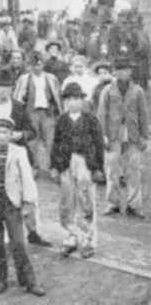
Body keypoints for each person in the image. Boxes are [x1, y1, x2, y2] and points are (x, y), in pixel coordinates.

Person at [0, 117, 46, 296]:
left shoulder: (19, 152)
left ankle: (28, 281)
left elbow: (27, 179)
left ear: (11, 134)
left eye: (5, 132)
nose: (1, 136)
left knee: (18, 242)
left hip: (11, 201)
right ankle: (0, 279)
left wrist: (28, 201)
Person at [50, 82, 104, 259]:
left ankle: (87, 240)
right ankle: (73, 237)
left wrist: (97, 167)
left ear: (82, 100)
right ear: (65, 101)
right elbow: (56, 144)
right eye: (69, 99)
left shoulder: (90, 119)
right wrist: (54, 167)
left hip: (85, 163)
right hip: (66, 163)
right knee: (67, 201)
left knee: (86, 201)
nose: (73, 103)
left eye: (76, 99)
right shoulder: (61, 120)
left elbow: (98, 144)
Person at [96, 56, 148, 219]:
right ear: (115, 72)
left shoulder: (137, 90)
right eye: (119, 70)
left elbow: (143, 114)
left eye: (126, 70)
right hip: (113, 133)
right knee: (112, 168)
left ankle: (134, 205)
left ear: (130, 72)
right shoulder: (108, 90)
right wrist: (102, 135)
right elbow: (101, 113)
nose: (123, 73)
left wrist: (144, 136)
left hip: (132, 133)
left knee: (133, 169)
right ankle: (113, 203)